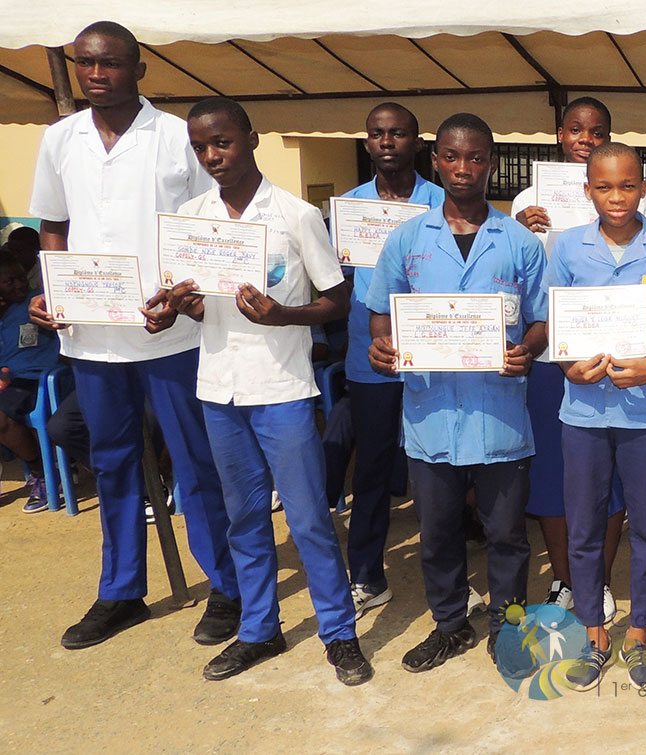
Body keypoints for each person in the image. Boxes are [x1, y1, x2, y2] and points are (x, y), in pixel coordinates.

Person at [28, 21, 241, 651]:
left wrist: (181, 297)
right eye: (86, 63)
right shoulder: (59, 138)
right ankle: (121, 591)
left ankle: (227, 585)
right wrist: (53, 288)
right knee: (112, 462)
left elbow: (209, 228)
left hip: (171, 335)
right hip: (91, 335)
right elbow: (53, 223)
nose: (97, 74)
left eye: (111, 63)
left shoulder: (176, 138)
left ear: (139, 68)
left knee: (196, 462)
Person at [159, 97, 371, 685]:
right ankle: (259, 630)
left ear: (251, 139)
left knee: (307, 519)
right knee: (244, 519)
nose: (212, 156)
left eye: (222, 142)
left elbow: (338, 300)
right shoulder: (192, 218)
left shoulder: (295, 215)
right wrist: (182, 308)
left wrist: (284, 316)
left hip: (281, 388)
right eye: (201, 148)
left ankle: (339, 633)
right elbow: (198, 308)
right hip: (219, 388)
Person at [366, 113, 547, 673]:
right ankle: (449, 626)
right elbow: (382, 312)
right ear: (436, 160)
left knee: (507, 535)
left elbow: (543, 320)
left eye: (474, 157)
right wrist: (383, 347)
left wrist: (527, 350)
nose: (462, 168)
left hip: (499, 416)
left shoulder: (519, 242)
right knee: (438, 534)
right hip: (432, 414)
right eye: (451, 156)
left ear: (491, 163)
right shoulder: (406, 239)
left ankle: (507, 627)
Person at [544, 142, 646, 692]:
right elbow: (555, 324)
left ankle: (638, 633)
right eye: (604, 187)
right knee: (584, 527)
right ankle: (594, 634)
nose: (616, 197)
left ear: (643, 188)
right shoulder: (567, 246)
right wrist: (568, 365)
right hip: (583, 412)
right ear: (587, 190)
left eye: (628, 186)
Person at [511, 96, 634, 617]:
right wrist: (519, 229)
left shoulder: (626, 198)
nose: (586, 139)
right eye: (577, 130)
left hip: (610, 358)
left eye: (597, 131)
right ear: (560, 135)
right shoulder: (527, 199)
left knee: (606, 480)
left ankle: (597, 581)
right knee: (552, 480)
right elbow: (516, 277)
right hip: (549, 362)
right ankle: (565, 580)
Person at [336, 102, 445, 619]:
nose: (386, 142)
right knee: (373, 469)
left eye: (398, 133)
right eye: (377, 134)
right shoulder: (349, 210)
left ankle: (450, 579)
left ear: (417, 143)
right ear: (366, 143)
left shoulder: (443, 202)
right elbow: (334, 284)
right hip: (372, 357)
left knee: (439, 468)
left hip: (434, 354)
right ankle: (366, 575)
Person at [0, 253, 61, 512]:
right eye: (9, 282)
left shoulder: (36, 302)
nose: (19, 285)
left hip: (39, 379)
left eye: (21, 278)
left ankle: (43, 472)